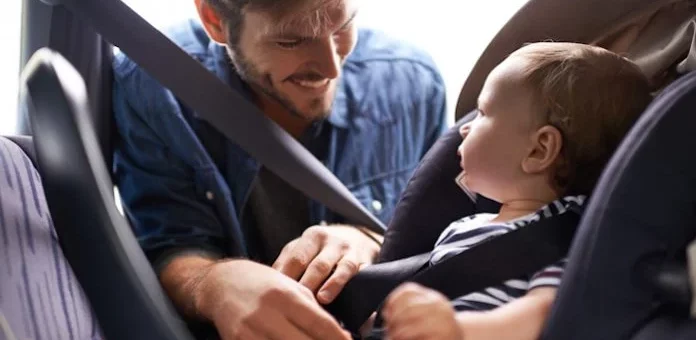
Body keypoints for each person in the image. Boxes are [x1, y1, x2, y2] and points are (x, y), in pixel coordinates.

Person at [111, 0, 447, 338]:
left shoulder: (412, 83)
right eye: (291, 41)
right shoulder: (156, 87)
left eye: (343, 26)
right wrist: (214, 285)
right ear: (214, 20)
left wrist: (369, 239)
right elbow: (167, 244)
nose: (331, 67)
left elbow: (451, 237)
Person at [378, 42, 652, 340]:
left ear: (538, 150)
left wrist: (461, 330)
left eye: (482, 113)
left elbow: (544, 311)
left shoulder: (569, 235)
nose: (464, 129)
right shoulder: (463, 227)